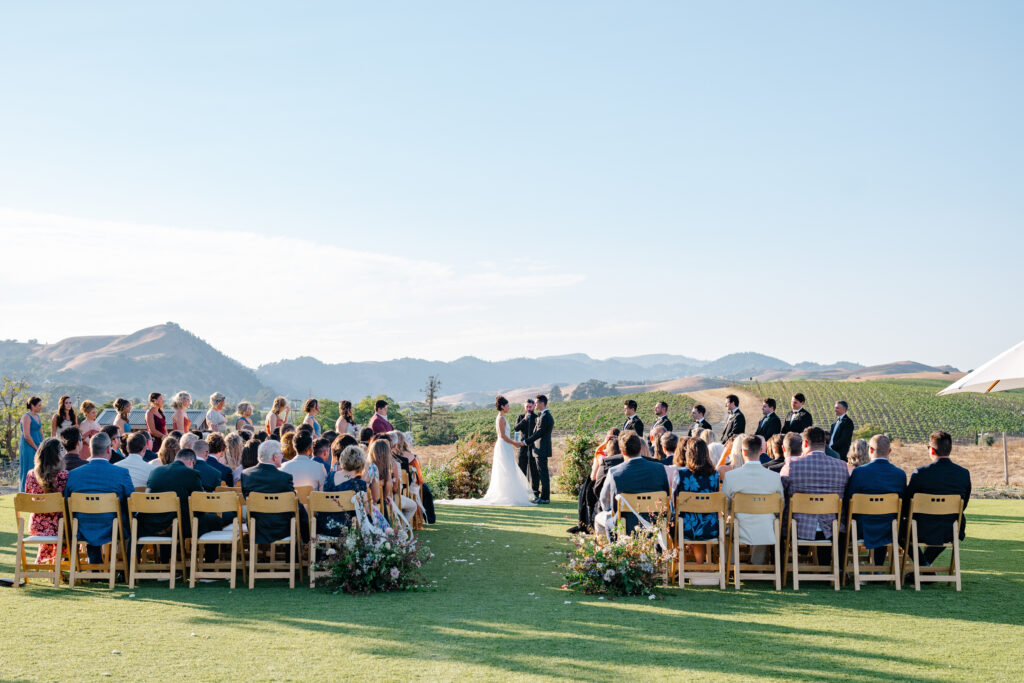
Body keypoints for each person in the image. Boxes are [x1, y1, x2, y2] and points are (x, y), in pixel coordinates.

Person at [437, 396, 536, 507]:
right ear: (503, 407)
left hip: (505, 445)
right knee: (506, 468)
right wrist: (515, 443)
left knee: (508, 468)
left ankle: (508, 493)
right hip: (504, 445)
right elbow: (503, 436)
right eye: (507, 405)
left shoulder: (502, 417)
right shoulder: (501, 419)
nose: (509, 407)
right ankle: (507, 495)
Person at [142, 447, 226, 562]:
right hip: (180, 526)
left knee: (169, 516)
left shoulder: (156, 471)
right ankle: (210, 565)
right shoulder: (192, 473)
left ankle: (165, 563)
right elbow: (200, 507)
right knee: (215, 520)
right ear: (191, 462)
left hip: (154, 524)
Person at [63, 432, 134, 565]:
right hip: (113, 527)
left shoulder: (73, 475)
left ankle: (94, 566)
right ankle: (123, 567)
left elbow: (66, 502)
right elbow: (131, 502)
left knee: (91, 518)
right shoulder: (121, 473)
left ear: (90, 449)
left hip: (81, 527)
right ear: (109, 449)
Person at [902, 431, 971, 566]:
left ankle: (922, 565)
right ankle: (925, 566)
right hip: (950, 528)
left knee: (899, 530)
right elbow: (964, 505)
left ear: (931, 449)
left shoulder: (920, 473)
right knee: (950, 528)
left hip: (920, 528)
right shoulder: (963, 474)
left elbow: (906, 504)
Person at [781, 427, 849, 563]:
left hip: (798, 528)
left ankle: (784, 565)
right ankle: (829, 565)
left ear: (804, 444)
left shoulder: (792, 464)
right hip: (832, 529)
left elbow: (780, 491)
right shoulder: (842, 466)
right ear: (825, 443)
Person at [721, 435, 784, 563]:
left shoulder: (731, 476)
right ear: (761, 451)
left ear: (743, 451)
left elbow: (724, 504)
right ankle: (757, 563)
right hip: (766, 528)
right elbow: (780, 505)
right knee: (766, 519)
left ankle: (732, 564)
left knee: (728, 522)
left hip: (739, 527)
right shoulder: (774, 477)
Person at [845, 434, 906, 563]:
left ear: (870, 450)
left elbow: (849, 500)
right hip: (890, 528)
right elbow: (903, 505)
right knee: (885, 518)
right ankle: (877, 566)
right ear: (889, 451)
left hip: (861, 528)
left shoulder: (859, 472)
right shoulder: (900, 475)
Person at [594, 432, 670, 537]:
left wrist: (611, 510)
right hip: (655, 521)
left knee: (599, 518)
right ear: (640, 448)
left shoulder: (614, 472)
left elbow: (604, 501)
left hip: (626, 521)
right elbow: (666, 494)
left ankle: (608, 550)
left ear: (622, 450)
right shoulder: (660, 468)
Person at [241, 440, 309, 544]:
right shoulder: (284, 478)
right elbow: (294, 505)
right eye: (281, 454)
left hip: (257, 527)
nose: (282, 456)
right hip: (282, 529)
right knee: (298, 510)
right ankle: (299, 552)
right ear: (275, 457)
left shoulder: (246, 475)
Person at [672, 438, 721, 564]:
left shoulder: (681, 474)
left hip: (686, 527)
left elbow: (674, 501)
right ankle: (700, 564)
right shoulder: (715, 475)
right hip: (710, 526)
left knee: (674, 523)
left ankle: (679, 564)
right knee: (701, 519)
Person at [24, 438, 68, 563]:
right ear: (58, 454)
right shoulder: (64, 475)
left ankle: (49, 562)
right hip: (59, 527)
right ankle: (58, 563)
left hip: (36, 526)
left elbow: (28, 497)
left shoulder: (30, 475)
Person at [319, 444, 373, 533]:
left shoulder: (329, 476)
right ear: (361, 462)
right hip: (345, 527)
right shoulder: (359, 484)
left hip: (324, 525)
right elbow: (364, 512)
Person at [523, 394, 554, 504]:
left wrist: (526, 442)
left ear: (542, 403)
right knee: (541, 473)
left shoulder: (546, 416)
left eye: (536, 403)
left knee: (543, 474)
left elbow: (539, 433)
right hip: (538, 449)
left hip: (542, 449)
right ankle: (543, 496)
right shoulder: (542, 415)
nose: (535, 405)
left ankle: (545, 498)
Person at [19, 396, 45, 491]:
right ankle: (25, 492)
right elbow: (26, 435)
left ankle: (36, 491)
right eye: (39, 405)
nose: (40, 407)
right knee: (29, 468)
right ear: (32, 405)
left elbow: (41, 432)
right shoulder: (26, 417)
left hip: (38, 444)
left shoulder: (38, 416)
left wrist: (43, 445)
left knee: (38, 468)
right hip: (28, 446)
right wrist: (36, 447)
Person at [513, 399, 538, 488]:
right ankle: (522, 490)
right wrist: (524, 419)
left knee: (534, 471)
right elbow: (516, 428)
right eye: (527, 407)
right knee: (521, 469)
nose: (528, 409)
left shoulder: (537, 417)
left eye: (530, 407)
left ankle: (535, 491)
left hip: (534, 447)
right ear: (524, 407)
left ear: (534, 406)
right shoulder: (521, 417)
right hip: (523, 446)